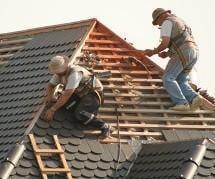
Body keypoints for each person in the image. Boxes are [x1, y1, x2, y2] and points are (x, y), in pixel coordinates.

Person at [143, 8, 202, 111]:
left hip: (183, 51)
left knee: (168, 77)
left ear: (160, 17)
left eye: (158, 23)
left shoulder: (166, 22)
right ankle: (194, 97)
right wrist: (167, 54)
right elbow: (180, 40)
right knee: (180, 79)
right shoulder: (179, 21)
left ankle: (181, 103)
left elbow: (165, 42)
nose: (159, 25)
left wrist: (153, 52)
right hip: (193, 52)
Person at [44, 55, 112, 137]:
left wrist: (52, 109)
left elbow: (67, 94)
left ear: (63, 68)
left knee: (80, 114)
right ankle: (83, 109)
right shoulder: (60, 74)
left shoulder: (75, 73)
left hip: (93, 94)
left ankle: (104, 125)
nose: (56, 73)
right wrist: (50, 97)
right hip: (79, 94)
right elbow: (50, 85)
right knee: (64, 105)